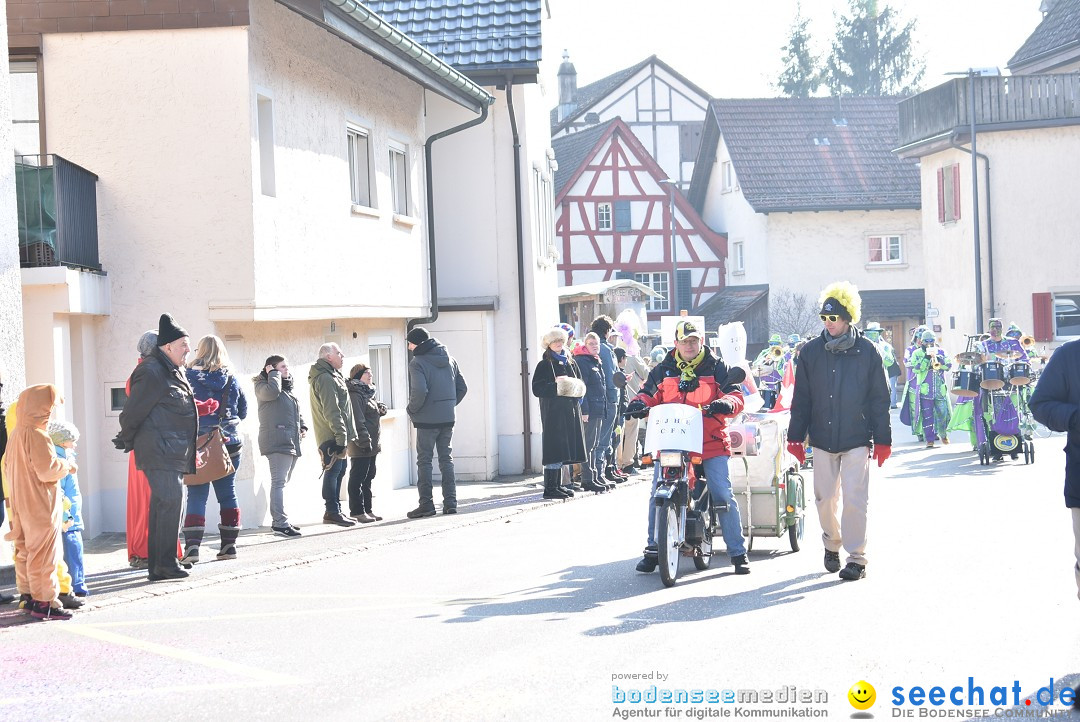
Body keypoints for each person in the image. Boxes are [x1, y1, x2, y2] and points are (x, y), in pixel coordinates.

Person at [626, 319, 749, 575]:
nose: (689, 345)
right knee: (656, 492)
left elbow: (735, 394)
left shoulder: (717, 367)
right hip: (672, 441)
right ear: (676, 343)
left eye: (694, 341)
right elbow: (649, 392)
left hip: (710, 442)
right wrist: (639, 403)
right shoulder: (664, 369)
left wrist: (726, 402)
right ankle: (653, 548)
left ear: (701, 341)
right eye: (685, 341)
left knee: (722, 494)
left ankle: (737, 552)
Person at [786, 282, 891, 582]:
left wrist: (882, 439)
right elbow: (801, 398)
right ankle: (831, 543)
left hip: (857, 437)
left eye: (833, 318)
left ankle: (856, 558)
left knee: (856, 499)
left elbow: (879, 398)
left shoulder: (867, 352)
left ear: (848, 319)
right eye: (824, 318)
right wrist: (796, 436)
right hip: (821, 438)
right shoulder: (810, 352)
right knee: (825, 499)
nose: (828, 324)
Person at [115, 314, 199, 582]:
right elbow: (132, 413)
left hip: (172, 451)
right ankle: (162, 565)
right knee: (168, 503)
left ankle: (164, 562)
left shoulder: (169, 369)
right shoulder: (151, 371)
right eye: (184, 344)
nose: (188, 349)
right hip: (159, 451)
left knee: (171, 505)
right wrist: (127, 439)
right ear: (168, 347)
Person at [3, 385, 78, 619]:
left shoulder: (16, 433)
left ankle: (28, 597)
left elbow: (6, 466)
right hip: (40, 503)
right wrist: (67, 466)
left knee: (25, 551)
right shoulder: (37, 434)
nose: (51, 412)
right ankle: (46, 602)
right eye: (49, 407)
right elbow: (47, 471)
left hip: (20, 503)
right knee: (44, 554)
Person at [124, 330, 188, 569]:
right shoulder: (147, 373)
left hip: (158, 445)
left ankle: (163, 554)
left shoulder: (155, 371)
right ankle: (145, 553)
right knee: (149, 501)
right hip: (150, 447)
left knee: (162, 501)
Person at [183, 336, 248, 563]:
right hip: (229, 442)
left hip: (199, 442)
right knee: (227, 493)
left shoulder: (187, 377)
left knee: (196, 494)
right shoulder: (231, 378)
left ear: (200, 351)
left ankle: (192, 548)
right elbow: (243, 411)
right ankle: (229, 546)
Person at [405, 327, 468, 518]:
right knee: (446, 459)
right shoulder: (450, 359)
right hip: (448, 417)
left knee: (424, 461)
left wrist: (411, 410)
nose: (408, 347)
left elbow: (420, 392)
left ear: (416, 343)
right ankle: (450, 503)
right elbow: (462, 388)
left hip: (426, 419)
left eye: (409, 343)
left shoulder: (417, 363)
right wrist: (447, 405)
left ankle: (426, 505)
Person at [531, 326, 588, 499]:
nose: (558, 344)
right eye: (555, 341)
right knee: (554, 450)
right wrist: (557, 386)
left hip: (570, 412)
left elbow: (580, 383)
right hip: (553, 414)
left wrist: (574, 388)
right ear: (548, 344)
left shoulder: (570, 361)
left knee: (564, 450)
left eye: (561, 341)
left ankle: (557, 485)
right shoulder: (544, 364)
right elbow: (537, 388)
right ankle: (550, 488)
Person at [254, 355, 306, 537]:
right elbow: (272, 393)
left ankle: (281, 519)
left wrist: (303, 425)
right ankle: (279, 523)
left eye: (286, 366)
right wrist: (274, 374)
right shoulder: (263, 387)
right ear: (270, 369)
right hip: (276, 440)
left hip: (289, 440)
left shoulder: (286, 388)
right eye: (281, 367)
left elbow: (292, 409)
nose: (286, 369)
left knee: (282, 482)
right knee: (278, 483)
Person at [309, 342, 358, 527]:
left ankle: (336, 509)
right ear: (328, 356)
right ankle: (331, 511)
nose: (342, 355)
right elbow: (332, 410)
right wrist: (340, 436)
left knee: (340, 471)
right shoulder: (325, 378)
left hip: (338, 433)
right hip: (331, 434)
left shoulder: (333, 375)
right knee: (333, 471)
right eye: (339, 352)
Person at [48, 420, 88, 599]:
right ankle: (77, 585)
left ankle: (74, 584)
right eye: (72, 440)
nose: (75, 444)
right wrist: (67, 514)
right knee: (73, 550)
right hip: (68, 517)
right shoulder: (61, 461)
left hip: (69, 513)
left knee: (70, 550)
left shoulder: (65, 457)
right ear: (62, 441)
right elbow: (61, 491)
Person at [573, 333, 613, 493]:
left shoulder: (594, 359)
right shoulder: (583, 361)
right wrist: (585, 410)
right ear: (585, 345)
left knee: (594, 444)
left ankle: (594, 476)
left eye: (596, 343)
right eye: (591, 343)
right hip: (590, 410)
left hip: (598, 408)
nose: (595, 346)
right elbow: (583, 388)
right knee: (588, 445)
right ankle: (587, 479)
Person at [346, 363, 386, 522]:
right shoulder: (356, 393)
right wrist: (364, 441)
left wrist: (380, 408)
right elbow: (357, 419)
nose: (370, 376)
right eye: (366, 374)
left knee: (369, 477)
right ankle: (357, 511)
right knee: (358, 477)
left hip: (372, 444)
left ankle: (368, 509)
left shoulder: (368, 392)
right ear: (358, 376)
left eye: (370, 373)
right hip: (362, 444)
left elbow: (370, 412)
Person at [590, 316, 623, 484]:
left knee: (596, 439)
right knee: (603, 439)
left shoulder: (587, 346)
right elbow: (611, 376)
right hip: (608, 398)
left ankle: (597, 473)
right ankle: (599, 474)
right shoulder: (605, 348)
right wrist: (614, 399)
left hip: (593, 399)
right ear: (607, 330)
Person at [908, 330, 952, 448]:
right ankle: (930, 439)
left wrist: (940, 360)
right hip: (925, 389)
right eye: (926, 341)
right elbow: (916, 369)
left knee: (942, 413)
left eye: (931, 341)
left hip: (940, 389)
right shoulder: (916, 353)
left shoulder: (942, 351)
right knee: (927, 415)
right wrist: (927, 359)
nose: (929, 343)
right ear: (921, 341)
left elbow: (948, 365)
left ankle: (943, 433)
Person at [618, 346, 648, 474]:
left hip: (617, 404)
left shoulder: (608, 356)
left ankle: (617, 464)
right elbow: (647, 374)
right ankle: (628, 464)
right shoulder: (633, 358)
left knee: (618, 435)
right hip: (632, 402)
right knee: (630, 434)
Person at [752, 334, 784, 409]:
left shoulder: (783, 353)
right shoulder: (764, 352)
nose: (773, 346)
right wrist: (765, 360)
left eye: (775, 344)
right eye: (771, 344)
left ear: (780, 344)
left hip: (778, 383)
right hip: (765, 383)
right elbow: (755, 365)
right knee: (765, 401)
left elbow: (784, 369)